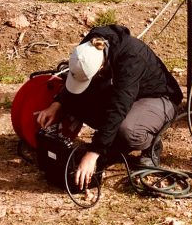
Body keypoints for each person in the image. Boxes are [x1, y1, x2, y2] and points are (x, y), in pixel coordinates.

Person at [35, 24, 183, 189]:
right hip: (126, 95)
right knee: (78, 101)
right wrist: (58, 103)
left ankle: (151, 144)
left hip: (158, 99)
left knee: (128, 131)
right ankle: (112, 145)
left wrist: (94, 152)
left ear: (100, 67)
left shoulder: (132, 58)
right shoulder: (88, 47)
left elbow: (119, 106)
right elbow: (76, 74)